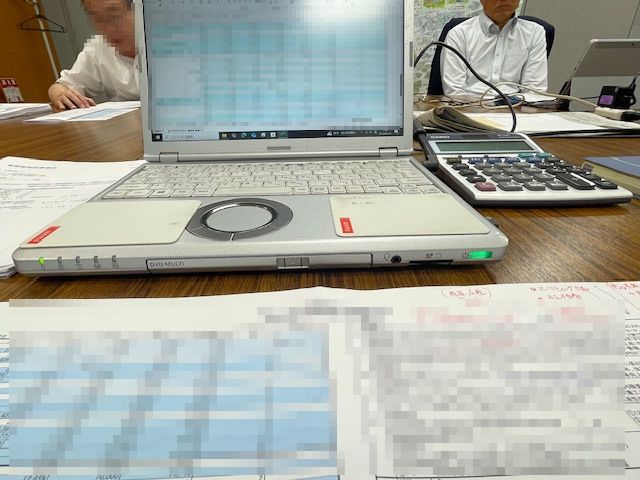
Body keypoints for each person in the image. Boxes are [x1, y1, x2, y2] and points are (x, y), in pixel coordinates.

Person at [440, 0, 548, 97]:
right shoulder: (459, 34)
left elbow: (534, 91)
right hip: (469, 107)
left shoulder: (534, 33)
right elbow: (455, 92)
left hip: (516, 107)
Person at [47, 0, 139, 111]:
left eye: (114, 16)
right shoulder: (97, 48)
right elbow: (62, 86)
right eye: (98, 19)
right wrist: (60, 94)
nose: (108, 29)